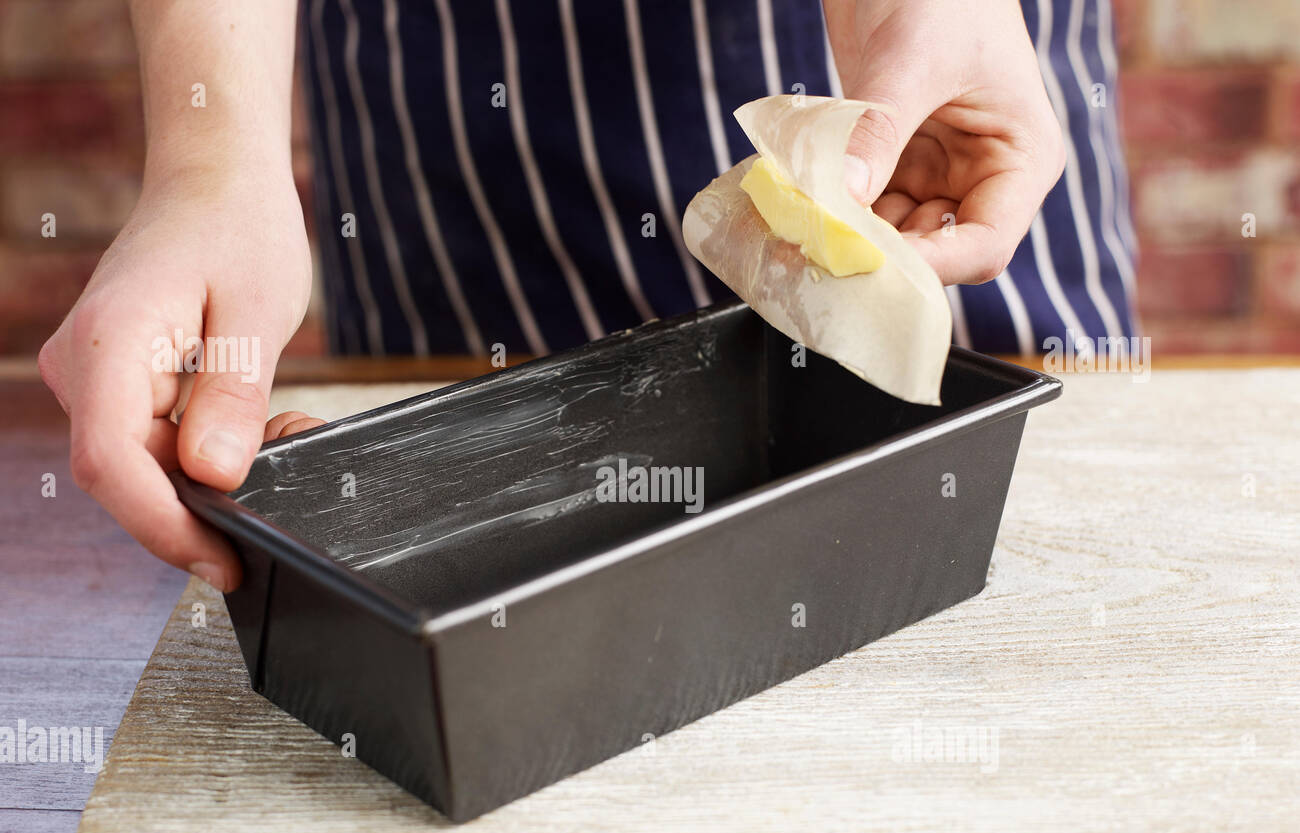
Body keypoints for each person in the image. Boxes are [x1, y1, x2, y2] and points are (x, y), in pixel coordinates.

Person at [38, 0, 1134, 593]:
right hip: (486, 69)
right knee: (480, 531)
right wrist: (210, 156)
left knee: (1051, 547)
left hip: (943, 63)